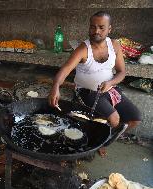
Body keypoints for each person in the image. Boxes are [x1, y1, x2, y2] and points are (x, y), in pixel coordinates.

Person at [48, 11, 141, 156]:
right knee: (114, 118)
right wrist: (55, 87)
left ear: (109, 29)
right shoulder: (83, 49)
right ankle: (100, 141)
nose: (96, 31)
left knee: (135, 118)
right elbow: (65, 70)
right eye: (93, 27)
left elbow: (122, 72)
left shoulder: (115, 45)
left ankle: (106, 139)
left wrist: (110, 82)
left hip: (110, 89)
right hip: (87, 92)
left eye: (101, 27)